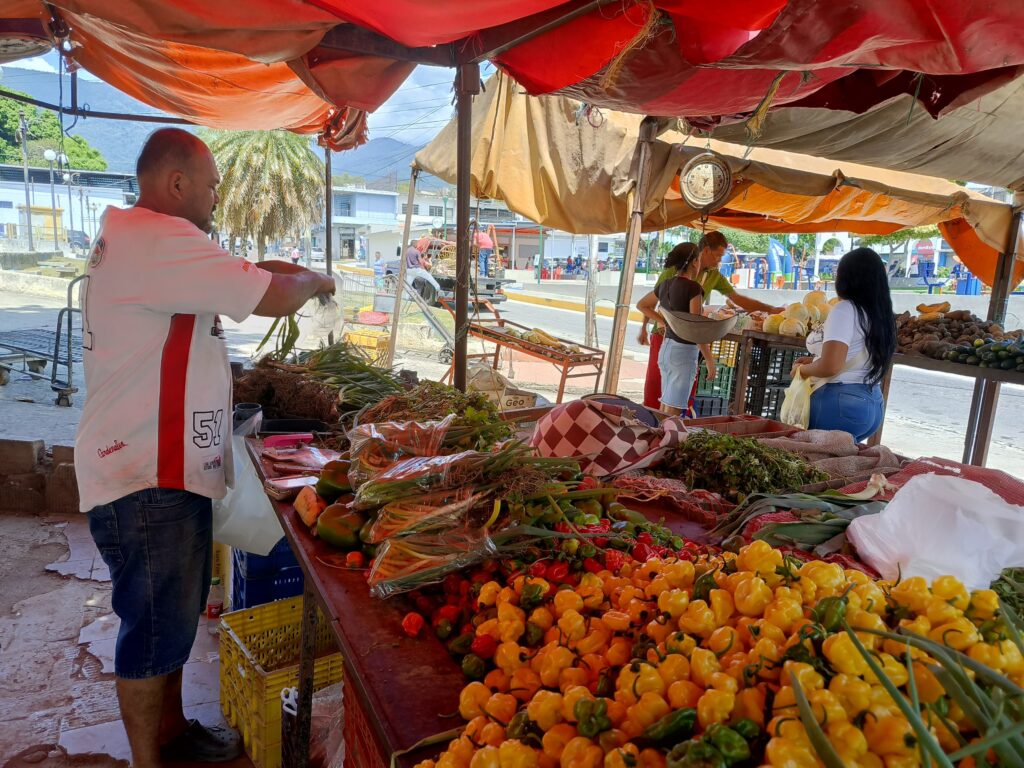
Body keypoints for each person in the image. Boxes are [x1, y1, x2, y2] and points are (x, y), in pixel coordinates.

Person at [75, 128, 336, 767]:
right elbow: (270, 295)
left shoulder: (143, 240)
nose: (218, 196)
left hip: (149, 468)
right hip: (146, 476)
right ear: (176, 183)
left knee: (173, 620)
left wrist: (293, 271)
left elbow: (251, 276)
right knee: (152, 633)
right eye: (213, 184)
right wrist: (316, 281)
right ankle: (149, 759)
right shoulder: (159, 241)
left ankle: (173, 734)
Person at [791, 247, 895, 441]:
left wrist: (801, 371)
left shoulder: (845, 309)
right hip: (871, 405)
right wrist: (815, 360)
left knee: (816, 465)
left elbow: (831, 366)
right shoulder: (880, 314)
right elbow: (852, 355)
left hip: (840, 405)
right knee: (841, 468)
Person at [635, 242, 716, 416]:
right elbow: (695, 327)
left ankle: (659, 439)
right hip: (683, 353)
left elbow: (642, 305)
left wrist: (664, 321)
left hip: (666, 350)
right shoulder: (693, 288)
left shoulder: (666, 284)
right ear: (695, 262)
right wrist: (709, 360)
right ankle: (664, 441)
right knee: (673, 410)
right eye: (699, 260)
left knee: (665, 406)